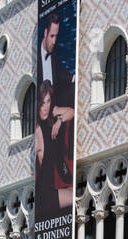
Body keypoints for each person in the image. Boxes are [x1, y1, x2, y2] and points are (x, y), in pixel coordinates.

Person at [33, 80, 75, 221]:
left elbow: (72, 112)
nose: (45, 107)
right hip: (44, 193)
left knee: (76, 191)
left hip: (54, 186)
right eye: (42, 103)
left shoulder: (52, 112)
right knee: (76, 196)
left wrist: (59, 121)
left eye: (48, 101)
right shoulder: (36, 130)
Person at [38, 14, 74, 110]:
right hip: (42, 105)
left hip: (56, 99)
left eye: (56, 36)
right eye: (52, 36)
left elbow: (58, 69)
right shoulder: (37, 54)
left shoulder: (54, 49)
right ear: (45, 33)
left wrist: (72, 77)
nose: (54, 41)